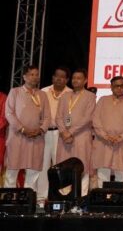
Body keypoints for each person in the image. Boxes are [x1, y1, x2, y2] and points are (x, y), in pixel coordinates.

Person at [3, 66, 50, 196]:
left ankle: (28, 201)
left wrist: (40, 130)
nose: (34, 77)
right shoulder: (15, 92)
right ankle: (9, 201)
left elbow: (47, 116)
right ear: (24, 77)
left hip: (36, 138)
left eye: (36, 74)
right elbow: (9, 113)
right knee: (12, 171)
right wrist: (22, 129)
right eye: (31, 74)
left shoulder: (42, 94)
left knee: (33, 171)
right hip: (17, 137)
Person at [55, 68, 96, 195]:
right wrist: (63, 131)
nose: (75, 80)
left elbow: (88, 118)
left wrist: (71, 132)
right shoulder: (65, 96)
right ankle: (64, 197)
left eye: (79, 78)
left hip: (81, 136)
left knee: (82, 166)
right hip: (64, 138)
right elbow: (58, 116)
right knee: (63, 166)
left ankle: (81, 198)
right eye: (74, 78)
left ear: (85, 81)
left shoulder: (90, 96)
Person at [92, 76, 123, 186]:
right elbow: (96, 119)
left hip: (121, 142)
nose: (120, 88)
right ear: (111, 87)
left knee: (121, 172)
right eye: (117, 86)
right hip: (103, 142)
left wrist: (121, 137)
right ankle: (102, 199)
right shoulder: (103, 100)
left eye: (122, 86)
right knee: (103, 172)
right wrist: (105, 136)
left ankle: (122, 199)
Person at [36, 66, 69, 202]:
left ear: (67, 79)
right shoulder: (43, 92)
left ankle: (61, 197)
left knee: (60, 165)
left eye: (62, 76)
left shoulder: (70, 93)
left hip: (61, 134)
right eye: (56, 76)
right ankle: (41, 197)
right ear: (52, 77)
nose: (59, 79)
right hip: (44, 133)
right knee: (42, 165)